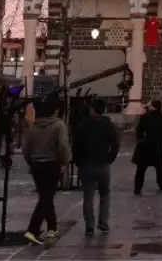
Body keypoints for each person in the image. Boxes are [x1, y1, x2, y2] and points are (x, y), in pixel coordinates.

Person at [22, 98, 71, 245]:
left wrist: (30, 161)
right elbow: (63, 145)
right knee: (46, 197)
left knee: (45, 195)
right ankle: (32, 229)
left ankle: (52, 227)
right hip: (52, 164)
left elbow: (26, 148)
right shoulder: (58, 124)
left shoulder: (32, 126)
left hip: (37, 165)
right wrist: (64, 162)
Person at [73, 98, 118, 237]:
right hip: (103, 163)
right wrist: (110, 158)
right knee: (105, 194)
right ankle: (103, 221)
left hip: (86, 164)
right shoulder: (108, 125)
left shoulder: (83, 125)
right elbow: (115, 144)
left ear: (92, 109)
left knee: (88, 196)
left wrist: (78, 162)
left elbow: (75, 147)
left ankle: (90, 226)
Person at [133, 100, 162, 194]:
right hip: (157, 145)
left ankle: (138, 187)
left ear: (153, 107)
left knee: (141, 168)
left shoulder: (145, 117)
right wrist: (160, 139)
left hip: (145, 145)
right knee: (159, 167)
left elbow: (139, 131)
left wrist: (140, 139)